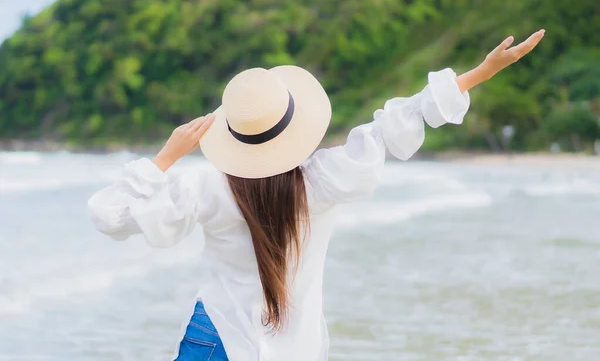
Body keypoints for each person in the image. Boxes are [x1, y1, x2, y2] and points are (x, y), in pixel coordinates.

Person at [88, 30, 545, 361]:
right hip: (295, 347)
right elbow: (399, 122)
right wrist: (482, 72)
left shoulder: (205, 186)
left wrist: (164, 158)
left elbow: (110, 216)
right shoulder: (325, 179)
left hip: (217, 338)